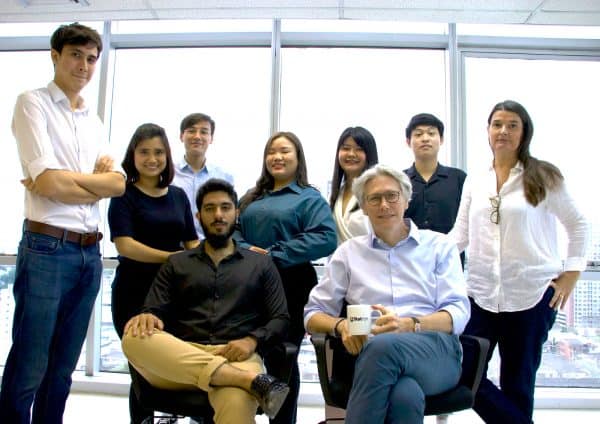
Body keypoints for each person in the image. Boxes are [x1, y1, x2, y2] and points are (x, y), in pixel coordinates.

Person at [0, 23, 126, 423]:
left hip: (90, 252)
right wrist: (90, 183)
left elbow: (118, 184)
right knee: (30, 364)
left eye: (91, 58)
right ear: (55, 56)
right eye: (75, 55)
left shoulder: (93, 119)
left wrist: (65, 182)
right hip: (46, 248)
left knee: (61, 370)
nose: (84, 66)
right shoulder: (32, 103)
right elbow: (49, 183)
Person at [448, 100, 589, 424]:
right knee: (464, 373)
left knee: (518, 384)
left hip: (531, 296)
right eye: (497, 124)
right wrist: (420, 256)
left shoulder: (543, 176)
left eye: (512, 125)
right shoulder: (476, 180)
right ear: (487, 131)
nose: (504, 131)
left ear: (524, 133)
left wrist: (571, 274)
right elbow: (460, 235)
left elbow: (578, 224)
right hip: (481, 295)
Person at [304, 164, 470, 424]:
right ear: (363, 206)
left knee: (382, 346)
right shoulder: (348, 254)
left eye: (392, 196)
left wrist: (410, 325)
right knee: (405, 395)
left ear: (406, 200)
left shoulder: (439, 246)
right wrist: (341, 325)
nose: (384, 205)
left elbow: (458, 313)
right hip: (371, 358)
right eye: (374, 198)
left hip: (435, 352)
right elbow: (312, 314)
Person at [121, 178, 291, 424]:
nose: (218, 215)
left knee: (239, 399)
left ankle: (235, 378)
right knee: (133, 338)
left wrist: (252, 340)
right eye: (210, 209)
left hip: (238, 356)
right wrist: (149, 315)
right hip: (182, 359)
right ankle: (245, 380)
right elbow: (154, 310)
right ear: (198, 216)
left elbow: (280, 319)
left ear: (236, 214)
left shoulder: (261, 264)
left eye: (225, 207)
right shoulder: (177, 263)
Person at [236, 131, 337, 424]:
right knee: (249, 352)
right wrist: (248, 250)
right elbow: (232, 230)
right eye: (272, 152)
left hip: (290, 285)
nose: (277, 157)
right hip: (248, 284)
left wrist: (274, 254)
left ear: (298, 158)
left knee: (283, 358)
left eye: (285, 151)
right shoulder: (251, 197)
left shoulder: (308, 198)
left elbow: (325, 237)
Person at [108, 123, 199, 423]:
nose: (152, 159)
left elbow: (191, 242)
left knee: (176, 362)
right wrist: (172, 258)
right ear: (132, 155)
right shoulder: (123, 194)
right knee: (142, 369)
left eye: (158, 152)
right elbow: (125, 245)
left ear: (167, 156)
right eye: (144, 152)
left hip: (174, 294)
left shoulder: (178, 196)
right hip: (133, 292)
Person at [403, 113, 466, 252]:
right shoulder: (399, 181)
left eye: (431, 133)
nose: (425, 138)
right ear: (408, 141)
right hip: (408, 258)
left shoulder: (458, 178)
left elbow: (466, 224)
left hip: (450, 257)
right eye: (418, 134)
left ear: (441, 139)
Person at [172, 112, 234, 239]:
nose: (197, 136)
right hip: (174, 246)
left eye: (204, 132)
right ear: (181, 136)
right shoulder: (168, 175)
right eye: (191, 131)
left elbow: (229, 217)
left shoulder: (224, 177)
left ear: (211, 138)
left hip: (213, 246)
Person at [329, 126, 379, 244]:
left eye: (359, 149)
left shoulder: (377, 191)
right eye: (346, 148)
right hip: (338, 255)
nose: (351, 154)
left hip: (370, 255)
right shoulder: (337, 193)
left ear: (369, 154)